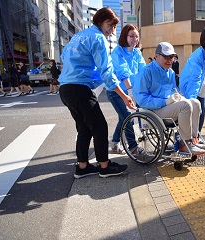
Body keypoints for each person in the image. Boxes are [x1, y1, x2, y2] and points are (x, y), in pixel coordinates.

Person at [58, 7, 135, 178]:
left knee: (84, 128)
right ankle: (105, 167)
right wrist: (124, 96)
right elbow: (107, 72)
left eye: (115, 26)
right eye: (110, 24)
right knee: (100, 126)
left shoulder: (78, 36)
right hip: (80, 88)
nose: (112, 30)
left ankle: (83, 166)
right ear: (99, 21)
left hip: (65, 89)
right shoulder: (98, 38)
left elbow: (64, 57)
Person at [133, 42, 205, 155]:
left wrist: (179, 97)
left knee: (196, 103)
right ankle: (185, 144)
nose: (169, 60)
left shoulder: (170, 73)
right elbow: (141, 99)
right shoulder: (146, 71)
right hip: (152, 111)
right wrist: (165, 101)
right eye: (166, 56)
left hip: (167, 107)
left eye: (171, 57)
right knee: (186, 105)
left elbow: (174, 90)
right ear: (156, 56)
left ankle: (193, 139)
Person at [107, 23, 146, 154]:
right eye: (131, 36)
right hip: (116, 91)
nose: (134, 39)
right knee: (127, 116)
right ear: (125, 36)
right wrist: (129, 90)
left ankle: (114, 142)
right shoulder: (118, 52)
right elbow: (123, 72)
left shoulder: (137, 52)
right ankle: (133, 147)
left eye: (137, 36)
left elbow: (143, 70)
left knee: (123, 118)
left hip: (131, 90)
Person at [179, 25, 205, 146]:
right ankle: (188, 140)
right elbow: (194, 78)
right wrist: (192, 98)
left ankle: (196, 137)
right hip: (191, 88)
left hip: (202, 89)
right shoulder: (197, 56)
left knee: (202, 114)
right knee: (194, 114)